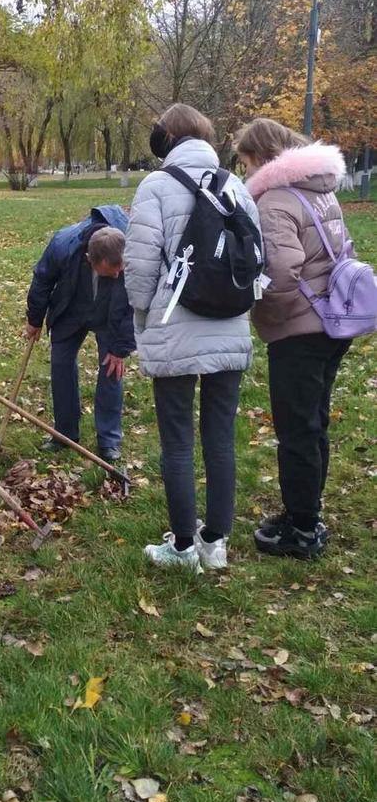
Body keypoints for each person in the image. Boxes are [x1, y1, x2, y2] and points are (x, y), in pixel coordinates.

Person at [124, 103, 260, 571]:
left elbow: (139, 266)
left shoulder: (156, 187)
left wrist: (142, 318)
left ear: (169, 137)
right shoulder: (237, 187)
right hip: (229, 325)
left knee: (177, 440)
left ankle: (182, 547)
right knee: (221, 438)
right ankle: (215, 543)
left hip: (174, 325)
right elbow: (255, 262)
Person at [235, 118, 352, 559]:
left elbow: (281, 272)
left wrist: (260, 305)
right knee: (314, 421)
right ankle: (307, 509)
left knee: (297, 428)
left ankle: (302, 528)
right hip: (333, 322)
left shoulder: (276, 201)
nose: (245, 171)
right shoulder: (321, 190)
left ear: (261, 158)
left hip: (300, 329)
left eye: (246, 162)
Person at [25, 207, 134, 461]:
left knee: (111, 369)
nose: (118, 274)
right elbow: (42, 279)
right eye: (112, 270)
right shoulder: (64, 244)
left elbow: (136, 303)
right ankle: (65, 434)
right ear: (90, 260)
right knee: (61, 364)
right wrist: (34, 319)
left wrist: (121, 348)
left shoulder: (132, 251)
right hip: (71, 306)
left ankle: (108, 440)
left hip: (111, 315)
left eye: (121, 268)